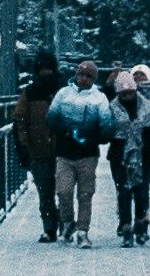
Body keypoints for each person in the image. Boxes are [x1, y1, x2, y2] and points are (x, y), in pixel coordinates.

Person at [104, 67, 150, 244]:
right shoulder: (112, 107)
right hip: (120, 154)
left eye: (130, 93)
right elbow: (105, 129)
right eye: (123, 93)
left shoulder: (147, 106)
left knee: (141, 191)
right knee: (124, 191)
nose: (127, 97)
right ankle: (126, 227)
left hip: (144, 153)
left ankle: (140, 225)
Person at [51, 56, 112, 238]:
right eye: (81, 74)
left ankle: (82, 230)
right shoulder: (63, 94)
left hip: (87, 154)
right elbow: (52, 118)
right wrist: (65, 130)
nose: (83, 78)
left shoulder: (99, 98)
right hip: (64, 152)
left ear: (93, 79)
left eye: (88, 76)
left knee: (85, 194)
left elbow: (107, 125)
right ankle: (68, 221)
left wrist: (94, 137)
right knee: (63, 191)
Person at [11, 52, 66, 241]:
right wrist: (25, 146)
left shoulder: (63, 90)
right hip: (40, 150)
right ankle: (50, 227)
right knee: (46, 191)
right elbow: (20, 120)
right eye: (43, 69)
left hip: (62, 149)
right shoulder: (30, 93)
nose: (46, 72)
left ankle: (63, 222)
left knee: (63, 190)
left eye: (48, 68)